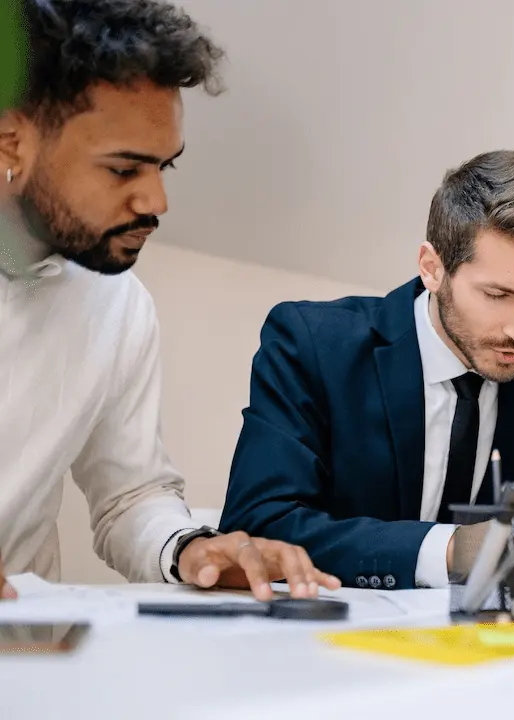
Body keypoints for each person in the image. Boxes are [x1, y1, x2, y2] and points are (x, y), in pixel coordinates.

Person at [0, 0, 338, 601]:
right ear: (11, 145)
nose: (157, 200)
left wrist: (192, 550)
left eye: (164, 166)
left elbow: (130, 496)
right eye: (124, 170)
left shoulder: (117, 304)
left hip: (25, 659)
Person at [219, 150, 514, 597]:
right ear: (432, 269)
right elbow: (256, 525)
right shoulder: (312, 344)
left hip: (491, 652)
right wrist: (449, 549)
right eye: (498, 295)